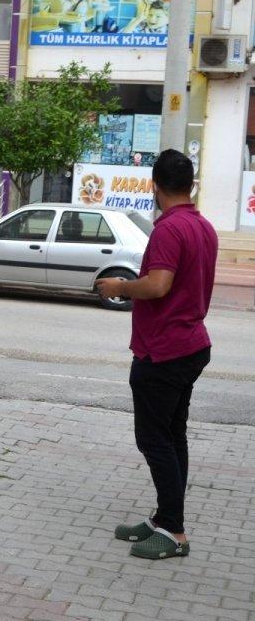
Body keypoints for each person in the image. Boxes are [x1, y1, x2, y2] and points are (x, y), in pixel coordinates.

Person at [95, 150, 217, 560]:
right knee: (172, 435)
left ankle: (175, 533)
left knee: (153, 439)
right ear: (191, 185)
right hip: (191, 345)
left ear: (154, 185)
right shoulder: (203, 227)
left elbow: (159, 285)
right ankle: (166, 518)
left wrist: (119, 287)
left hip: (163, 351)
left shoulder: (169, 229)